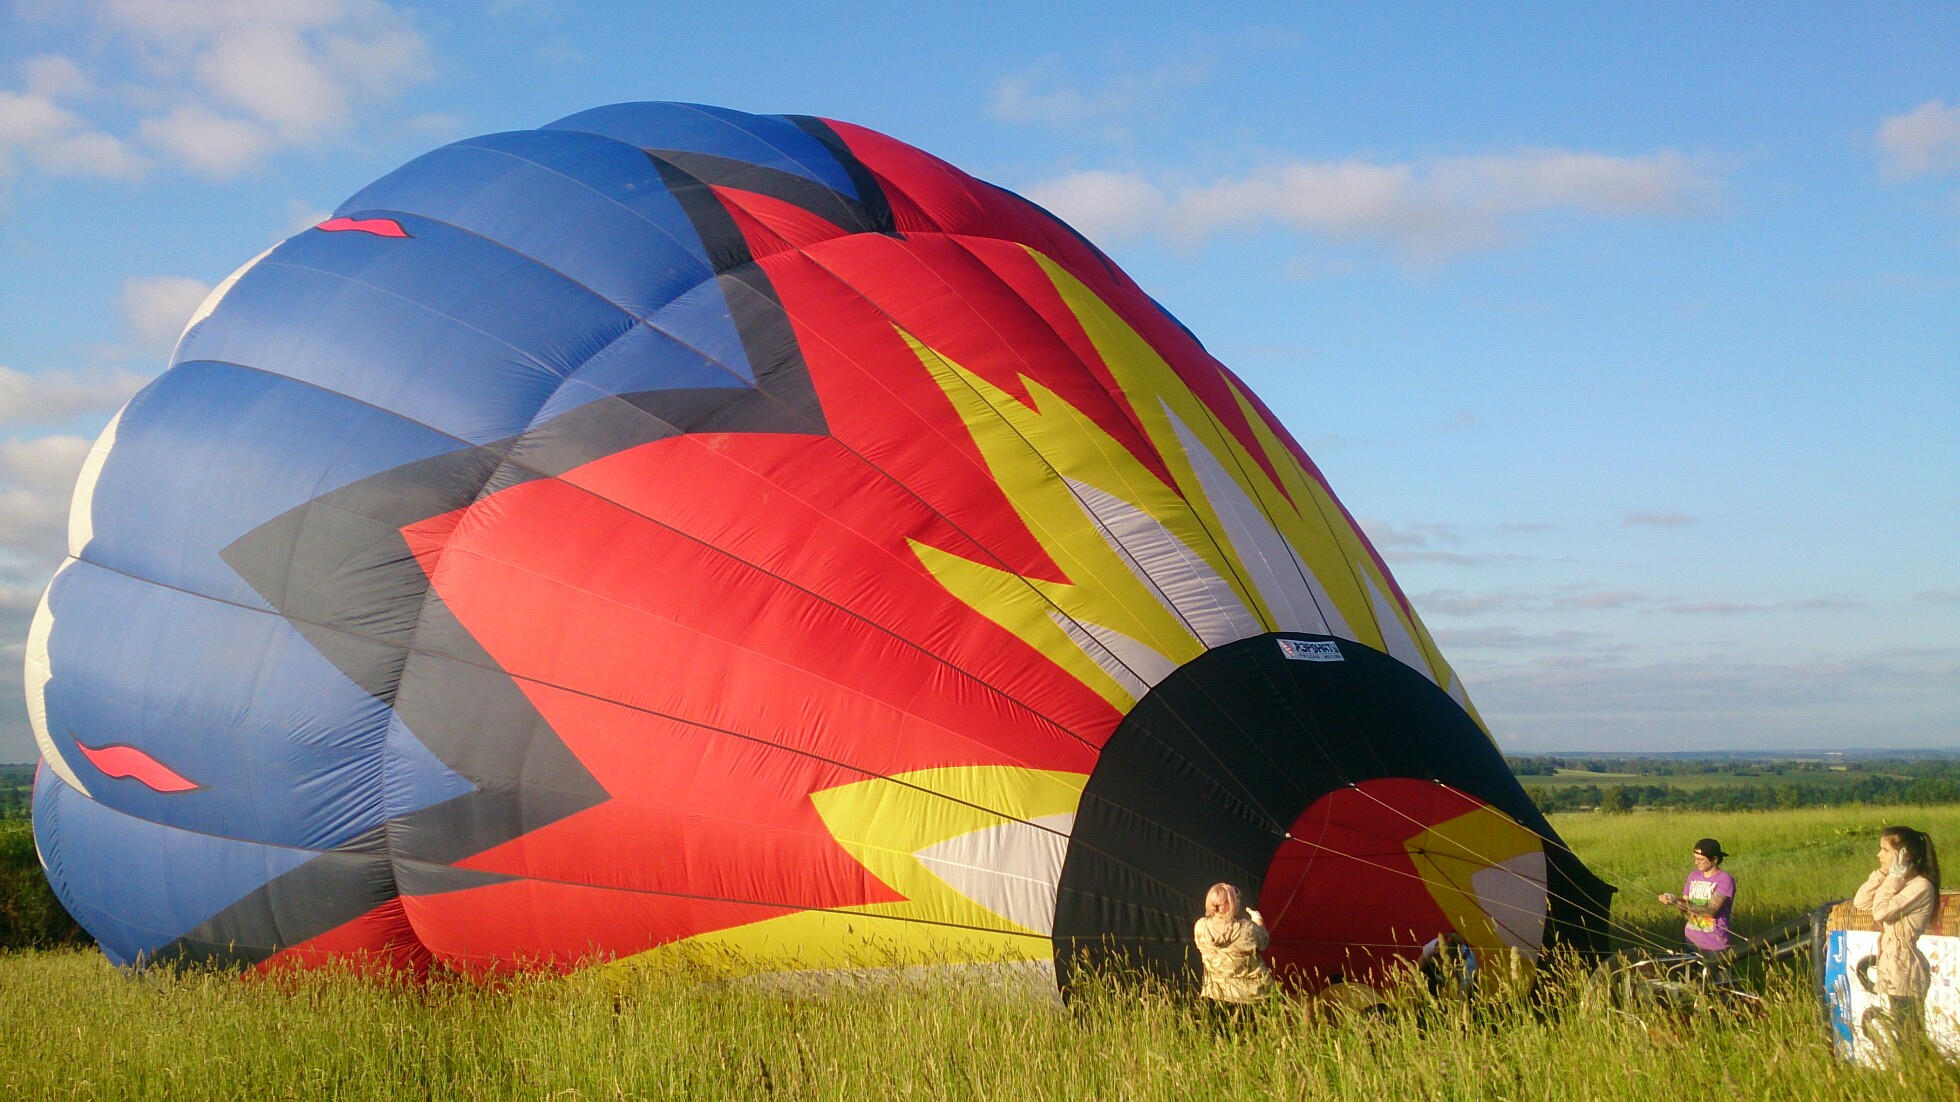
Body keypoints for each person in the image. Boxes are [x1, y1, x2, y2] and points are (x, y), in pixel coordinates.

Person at [1853, 825, 1941, 1051]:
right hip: (1893, 967)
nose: (1878, 855)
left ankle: (1924, 1078)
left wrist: (1892, 879)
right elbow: (1861, 902)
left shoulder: (1920, 886)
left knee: (1909, 1038)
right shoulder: (1899, 882)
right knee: (1905, 1037)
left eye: (1885, 850)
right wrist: (1883, 874)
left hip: (1905, 970)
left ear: (1905, 854)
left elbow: (1881, 912)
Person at [1193, 882, 1273, 1020]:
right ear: (1231, 903)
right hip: (1251, 998)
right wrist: (1258, 919)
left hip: (1214, 994)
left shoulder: (1200, 926)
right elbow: (1264, 942)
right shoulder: (1246, 928)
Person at [1656, 838, 1735, 968]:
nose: (1696, 862)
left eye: (1700, 859)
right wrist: (1672, 900)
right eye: (1695, 858)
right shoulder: (1693, 876)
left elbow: (1710, 910)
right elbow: (1685, 905)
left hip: (1715, 946)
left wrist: (1677, 902)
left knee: (1720, 986)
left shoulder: (1725, 880)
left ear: (1714, 859)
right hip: (1690, 942)